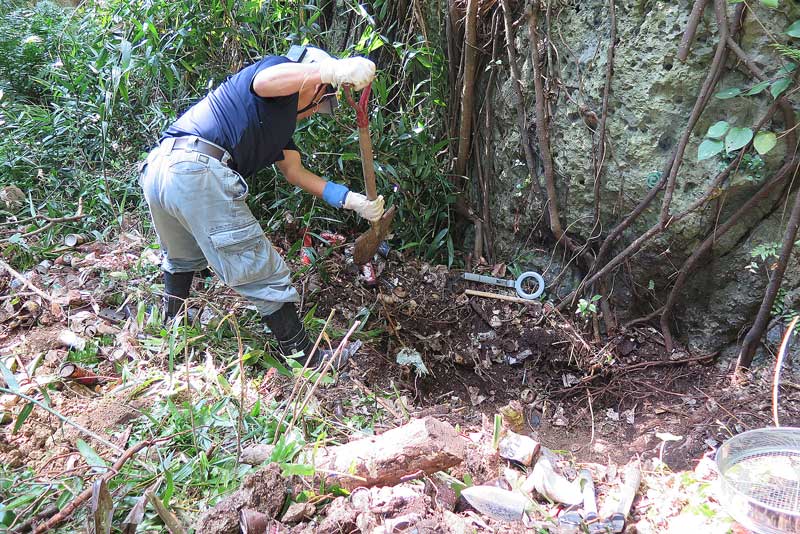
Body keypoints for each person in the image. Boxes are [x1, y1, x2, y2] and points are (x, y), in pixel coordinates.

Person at [138, 45, 384, 368]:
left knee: (182, 258)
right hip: (195, 170)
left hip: (161, 170)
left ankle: (173, 330)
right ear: (314, 82)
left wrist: (351, 200)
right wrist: (331, 71)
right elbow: (265, 81)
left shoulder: (280, 125)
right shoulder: (275, 73)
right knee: (265, 271)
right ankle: (305, 358)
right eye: (322, 97)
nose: (315, 110)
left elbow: (296, 174)